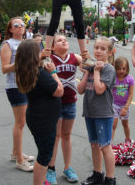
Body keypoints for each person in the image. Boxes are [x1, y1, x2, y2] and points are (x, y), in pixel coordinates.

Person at [15, 39, 64, 185]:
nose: (41, 52)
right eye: (38, 50)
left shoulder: (26, 71)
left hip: (37, 118)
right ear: (33, 55)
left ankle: (42, 180)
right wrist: (53, 72)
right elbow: (59, 90)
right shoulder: (40, 74)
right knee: (44, 157)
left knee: (43, 152)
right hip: (44, 121)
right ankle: (39, 182)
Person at [77, 36, 116, 185]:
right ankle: (97, 174)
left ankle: (110, 179)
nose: (98, 51)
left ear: (109, 52)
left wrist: (97, 71)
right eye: (96, 48)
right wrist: (88, 72)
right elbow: (80, 90)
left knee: (105, 146)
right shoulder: (91, 66)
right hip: (90, 111)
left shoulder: (108, 69)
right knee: (94, 144)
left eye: (103, 49)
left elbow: (100, 90)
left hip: (103, 113)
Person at [46, 34, 82, 184]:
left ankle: (67, 167)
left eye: (65, 40)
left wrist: (87, 57)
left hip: (71, 102)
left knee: (66, 136)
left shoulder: (75, 57)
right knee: (55, 137)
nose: (64, 41)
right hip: (55, 103)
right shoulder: (49, 60)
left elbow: (88, 64)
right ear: (53, 47)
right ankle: (50, 168)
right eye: (59, 40)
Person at [0, 17, 34, 172]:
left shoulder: (26, 43)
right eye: (16, 25)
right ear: (10, 30)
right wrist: (21, 61)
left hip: (27, 86)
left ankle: (16, 153)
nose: (20, 27)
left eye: (22, 24)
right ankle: (20, 160)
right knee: (20, 123)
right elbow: (5, 68)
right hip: (15, 87)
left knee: (22, 122)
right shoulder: (8, 44)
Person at [111, 57, 134, 144]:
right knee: (113, 125)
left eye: (123, 68)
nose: (121, 71)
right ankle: (109, 143)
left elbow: (131, 94)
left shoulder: (130, 79)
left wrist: (125, 108)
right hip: (114, 104)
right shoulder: (113, 78)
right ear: (115, 69)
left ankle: (128, 139)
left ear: (127, 69)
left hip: (124, 105)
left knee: (125, 124)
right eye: (119, 69)